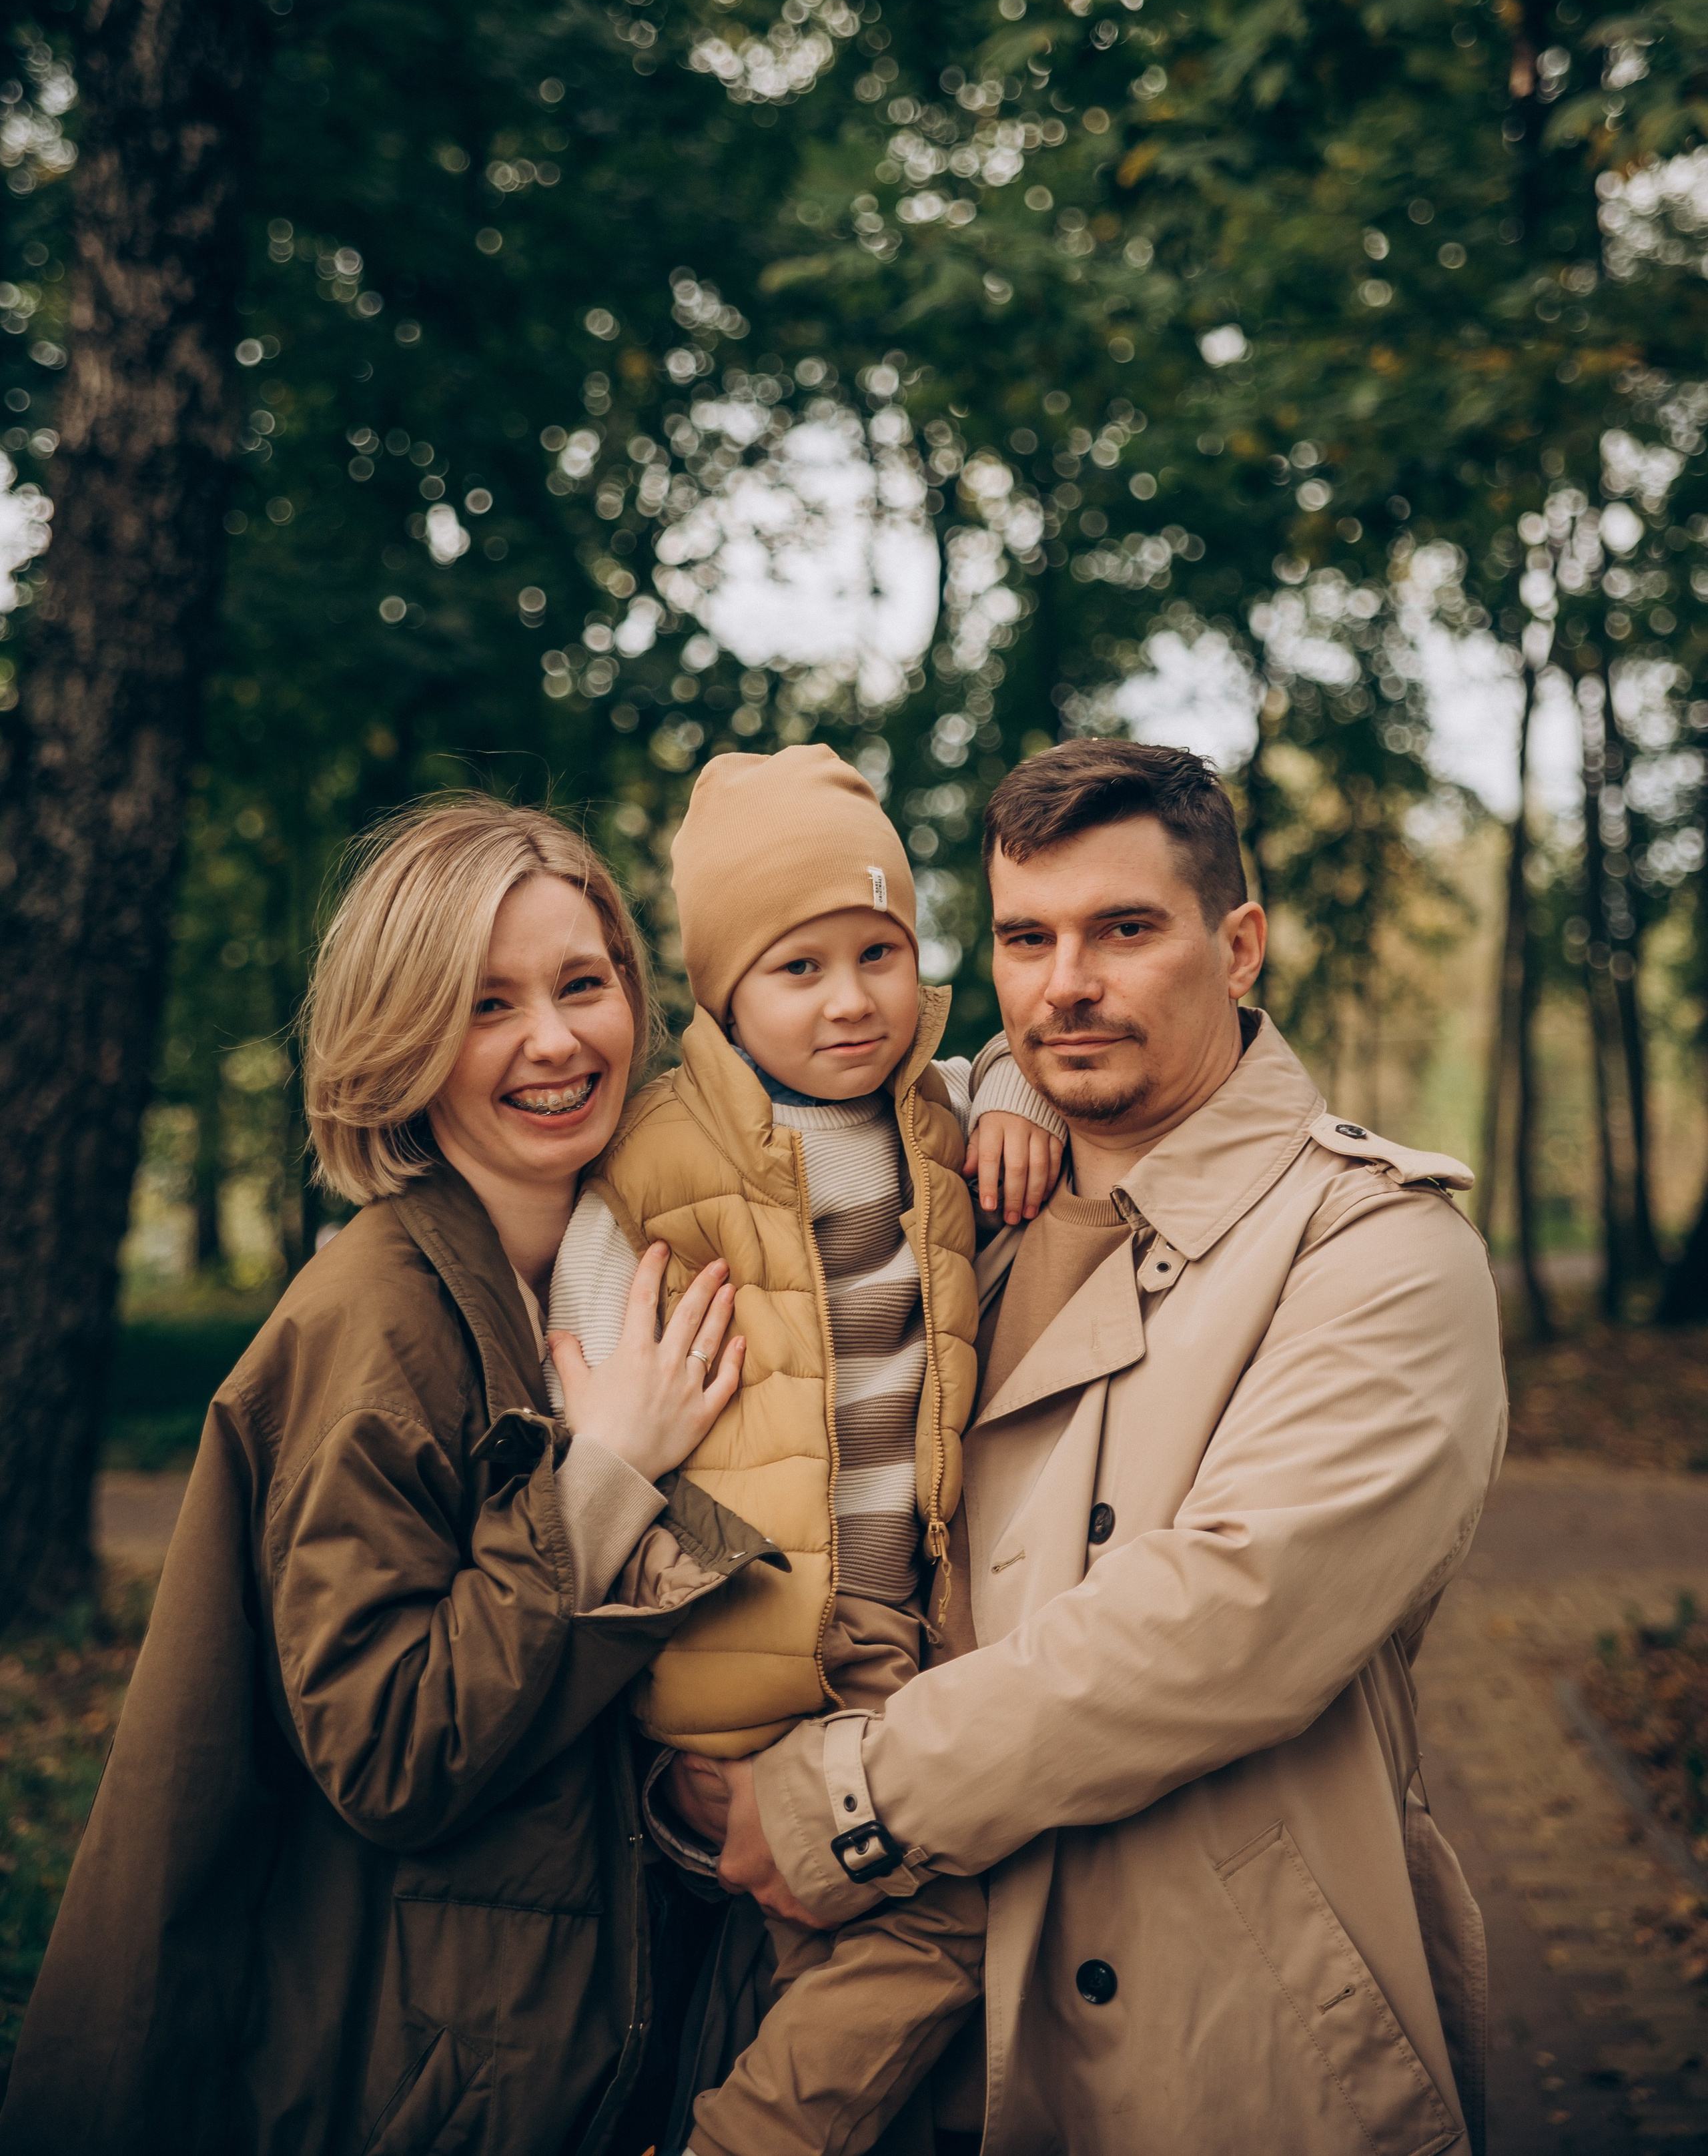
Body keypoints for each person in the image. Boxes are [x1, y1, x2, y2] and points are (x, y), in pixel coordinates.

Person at [711, 739, 1507, 2156]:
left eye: (1123, 930)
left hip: (1219, 2033)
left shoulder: (1376, 1246)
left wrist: (847, 1801)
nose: (1063, 984)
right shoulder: (946, 1208)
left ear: (1238, 946)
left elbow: (1224, 1623)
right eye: (1026, 939)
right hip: (920, 2035)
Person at [0, 794, 771, 2156]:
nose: (553, 1039)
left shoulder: (609, 1278)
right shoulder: (378, 1320)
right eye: (485, 1006)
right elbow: (392, 1748)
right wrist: (600, 1479)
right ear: (403, 1039)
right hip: (403, 2082)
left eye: (581, 983)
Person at [547, 744, 1064, 2156]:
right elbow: (580, 1401)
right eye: (798, 968)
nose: (850, 1000)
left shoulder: (934, 1114)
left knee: (831, 1972)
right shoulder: (653, 1161)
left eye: (878, 953)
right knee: (942, 1921)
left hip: (893, 1637)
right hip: (745, 1653)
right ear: (722, 992)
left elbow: (1010, 1051)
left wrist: (1015, 1090)